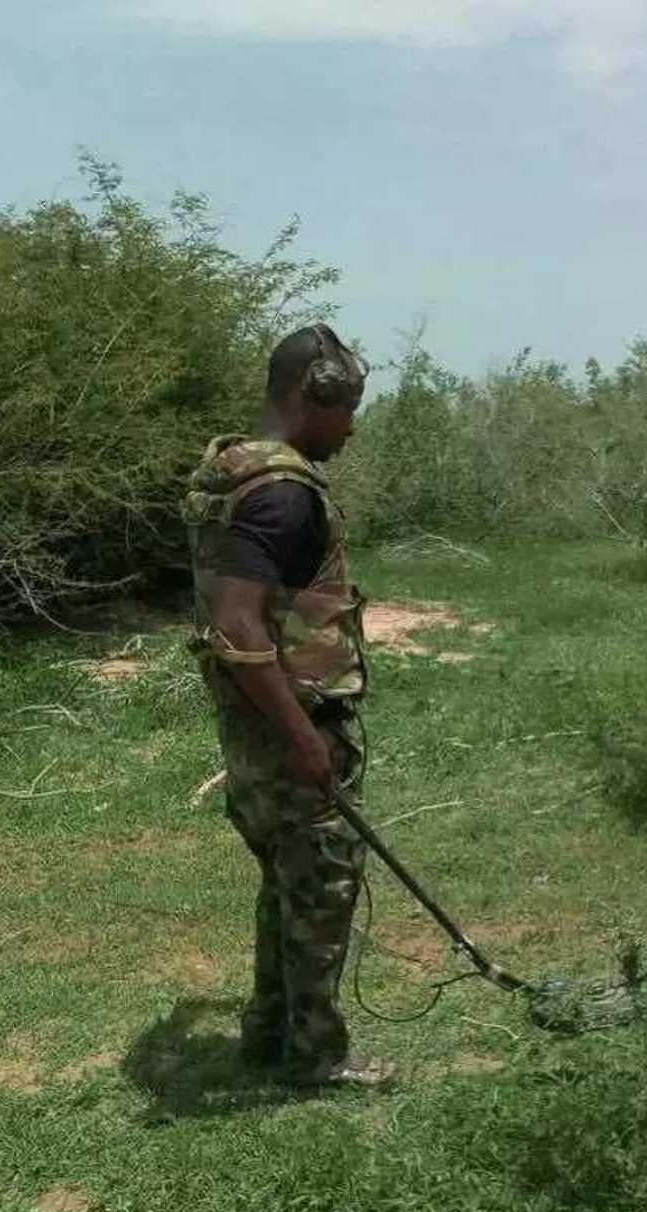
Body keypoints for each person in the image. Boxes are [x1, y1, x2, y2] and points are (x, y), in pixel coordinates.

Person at [182, 323, 395, 1086]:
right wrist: (305, 736)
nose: (352, 425)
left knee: (286, 880)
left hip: (250, 721)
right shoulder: (283, 494)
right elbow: (237, 620)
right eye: (349, 407)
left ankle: (268, 1030)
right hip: (291, 718)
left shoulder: (230, 472)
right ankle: (318, 1057)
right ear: (316, 393)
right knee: (323, 884)